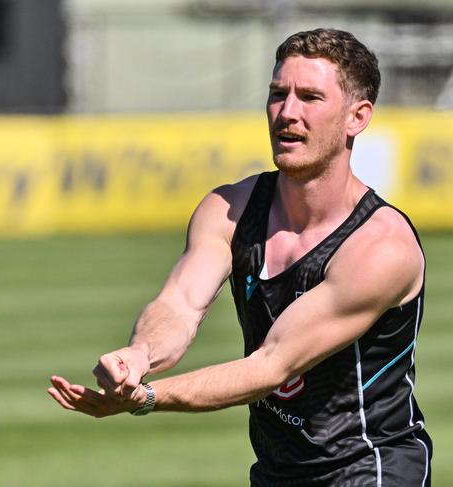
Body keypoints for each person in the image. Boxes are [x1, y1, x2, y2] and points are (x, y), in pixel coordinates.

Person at [48, 28, 432, 486]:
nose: (287, 113)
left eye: (310, 97)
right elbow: (180, 305)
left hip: (370, 469)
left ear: (357, 117)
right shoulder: (228, 210)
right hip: (276, 471)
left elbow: (272, 365)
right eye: (277, 94)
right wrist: (139, 354)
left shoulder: (381, 246)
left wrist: (147, 397)